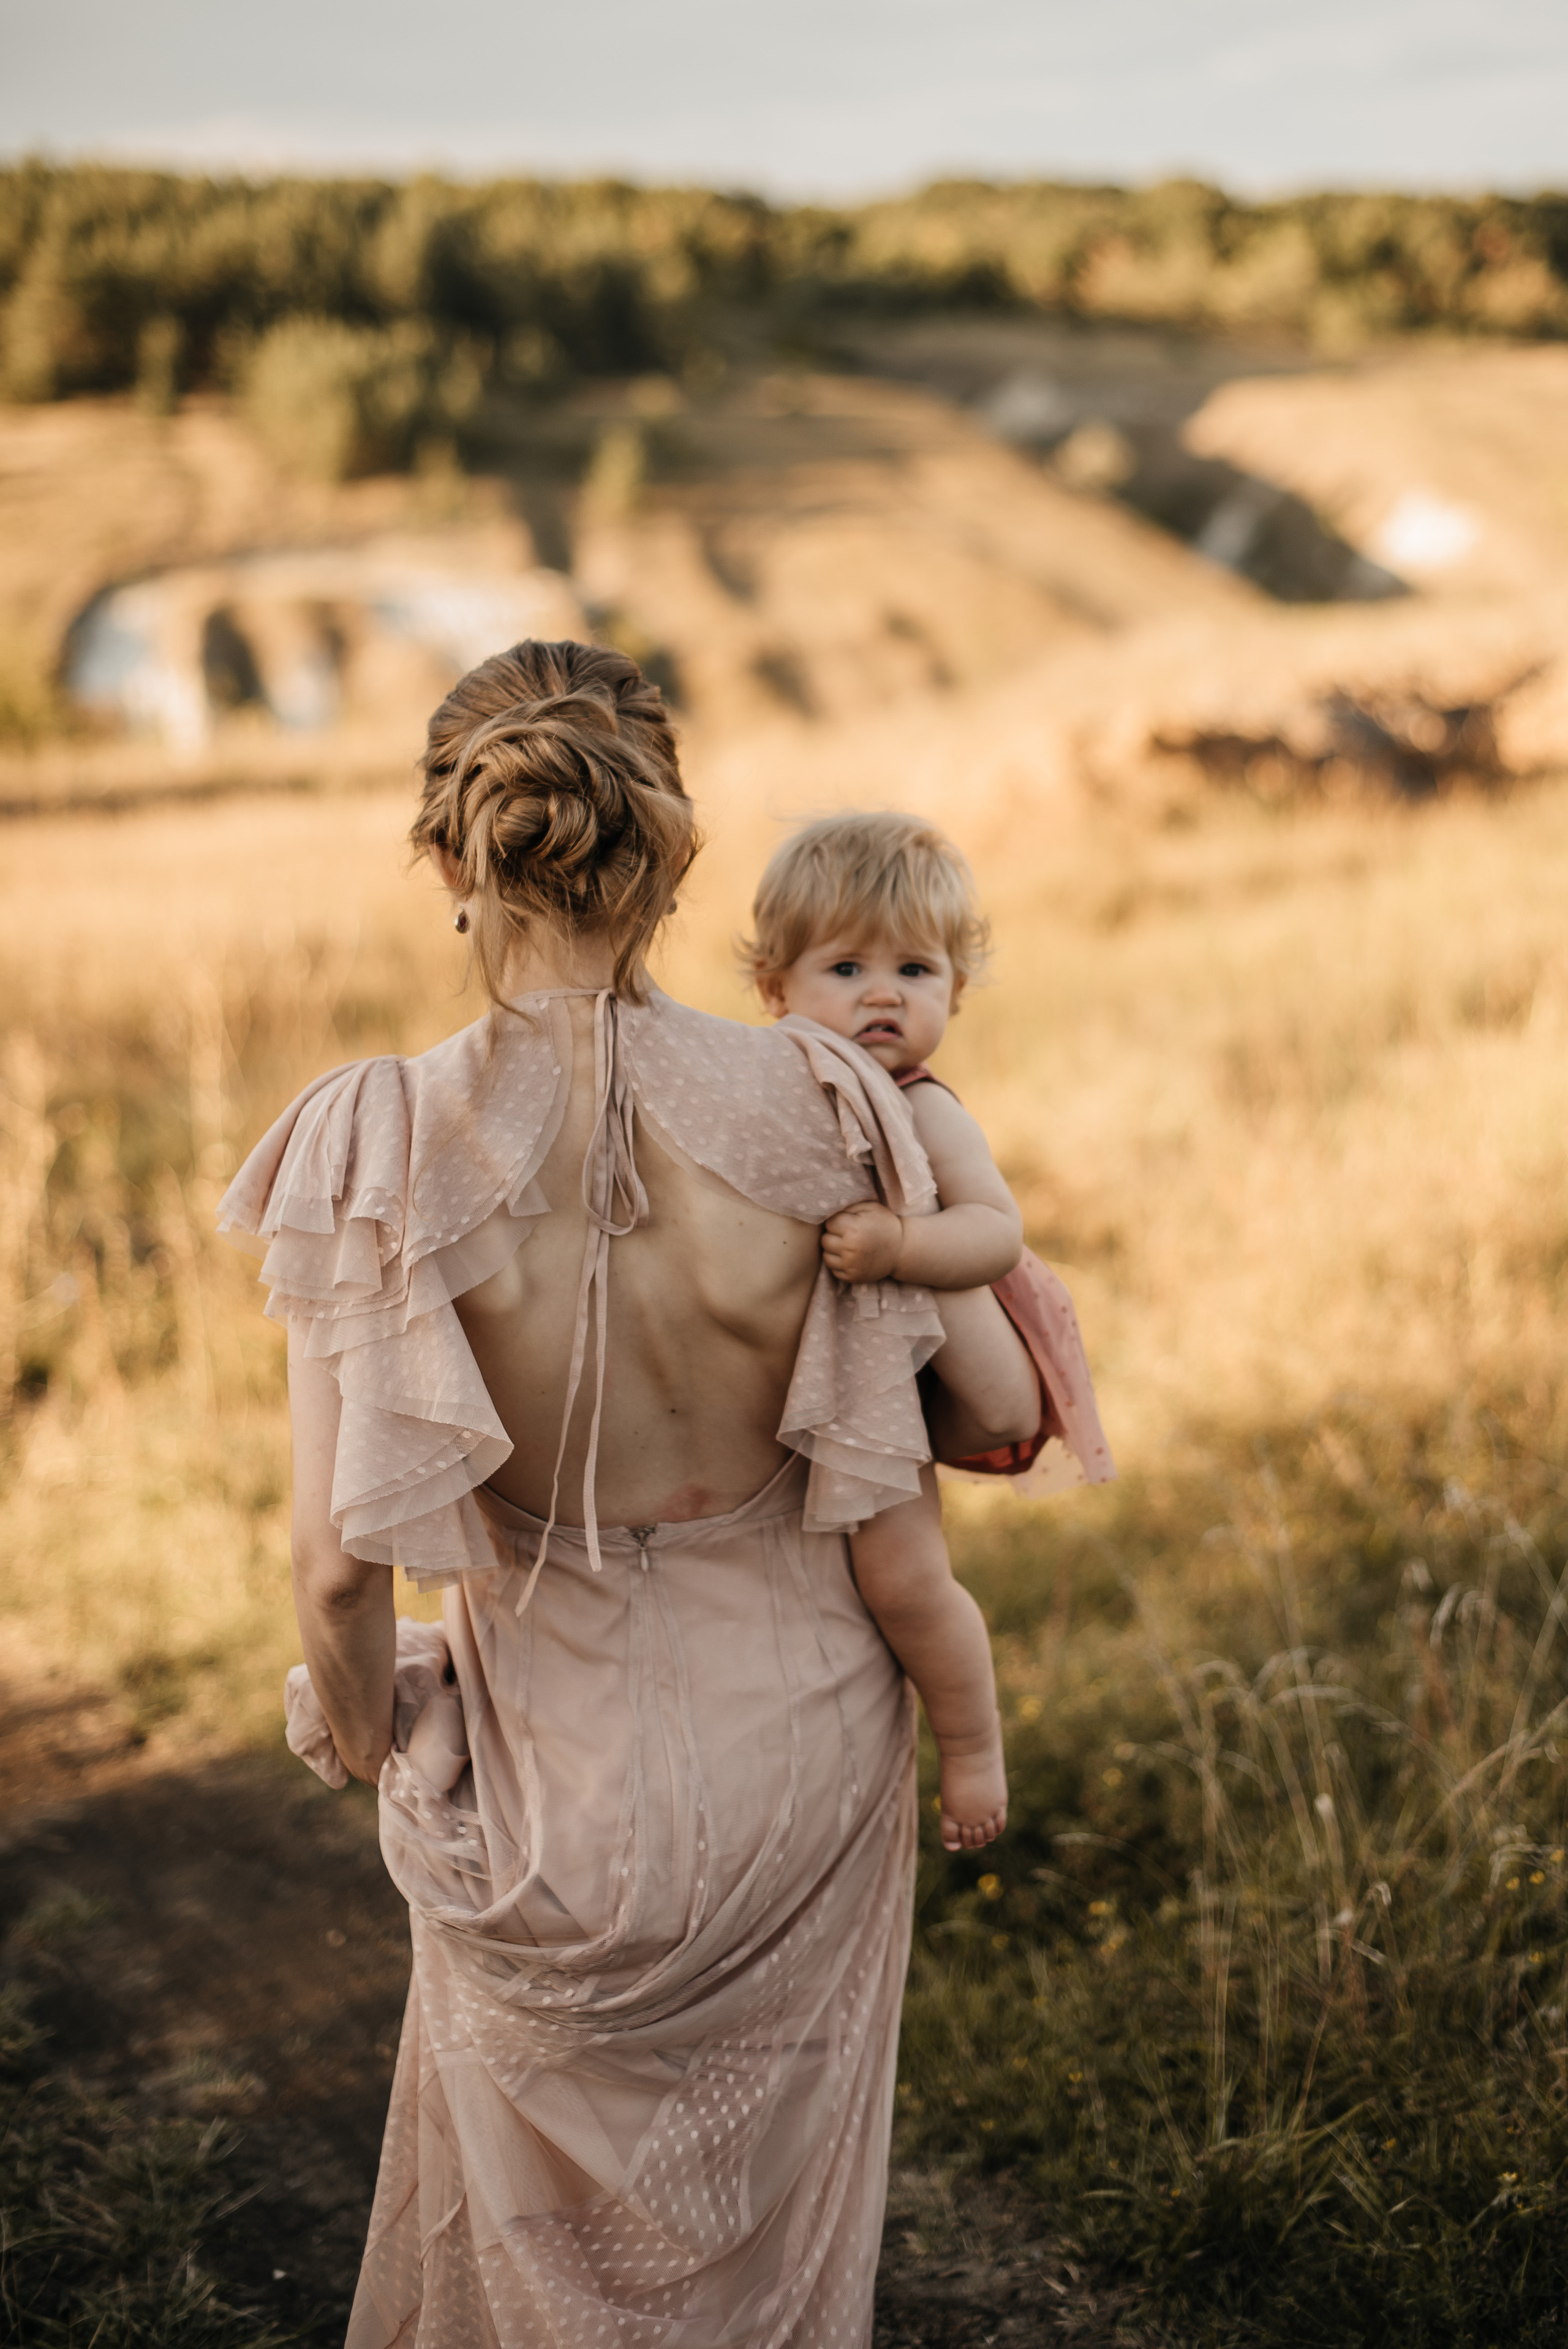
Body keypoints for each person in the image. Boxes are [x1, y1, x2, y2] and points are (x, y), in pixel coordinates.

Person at [219, 641, 1109, 2347]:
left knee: (536, 2243)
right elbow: (996, 1406)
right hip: (811, 1741)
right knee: (777, 2227)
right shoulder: (833, 1093)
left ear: (450, 859)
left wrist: (358, 1736)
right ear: (679, 857)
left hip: (552, 1771)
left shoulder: (382, 1137)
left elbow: (337, 1572)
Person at [747, 813, 1115, 1858]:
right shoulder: (763, 1090)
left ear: (955, 990)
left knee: (904, 1577)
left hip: (897, 1384)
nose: (882, 993)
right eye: (847, 965)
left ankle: (973, 1748)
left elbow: (997, 1235)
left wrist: (903, 1242)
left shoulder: (927, 1109)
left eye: (915, 968)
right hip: (801, 1376)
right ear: (775, 987)